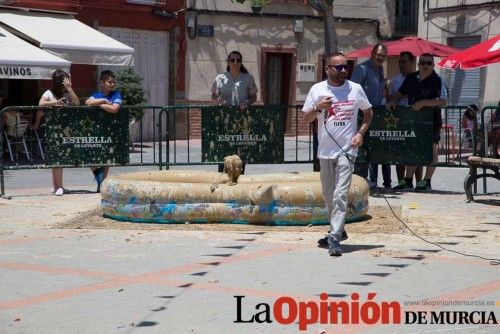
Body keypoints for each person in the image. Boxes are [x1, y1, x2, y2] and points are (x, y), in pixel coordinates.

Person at [303, 52, 373, 256]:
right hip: (325, 151)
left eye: (346, 66)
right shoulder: (317, 90)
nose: (343, 70)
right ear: (328, 69)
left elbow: (368, 112)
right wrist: (318, 108)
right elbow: (306, 119)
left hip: (347, 150)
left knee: (340, 195)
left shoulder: (355, 89)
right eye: (338, 67)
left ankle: (334, 237)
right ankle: (339, 231)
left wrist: (360, 133)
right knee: (328, 195)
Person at [387, 53, 448, 192]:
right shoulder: (411, 78)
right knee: (413, 149)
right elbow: (400, 93)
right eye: (423, 63)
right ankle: (408, 181)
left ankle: (426, 181)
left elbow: (444, 101)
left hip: (432, 121)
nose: (425, 65)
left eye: (429, 63)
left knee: (432, 149)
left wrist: (423, 103)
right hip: (414, 121)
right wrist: (393, 102)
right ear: (418, 64)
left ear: (433, 65)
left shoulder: (438, 79)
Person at [350, 44, 391, 189]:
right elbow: (352, 91)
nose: (380, 58)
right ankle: (358, 181)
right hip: (361, 115)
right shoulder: (362, 69)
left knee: (372, 149)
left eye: (383, 56)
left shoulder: (380, 70)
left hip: (375, 114)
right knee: (361, 149)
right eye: (378, 54)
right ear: (372, 53)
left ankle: (372, 181)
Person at [211, 51, 258, 173]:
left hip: (242, 120)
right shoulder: (220, 78)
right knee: (224, 150)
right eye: (232, 60)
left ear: (241, 62)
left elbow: (254, 97)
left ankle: (239, 177)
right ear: (228, 62)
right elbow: (213, 97)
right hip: (224, 120)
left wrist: (247, 102)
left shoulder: (248, 78)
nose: (235, 62)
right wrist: (219, 100)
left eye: (238, 60)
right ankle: (222, 178)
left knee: (241, 151)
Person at [38, 69, 80, 196]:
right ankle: (59, 186)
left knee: (58, 157)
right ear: (59, 82)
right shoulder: (49, 93)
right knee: (57, 157)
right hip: (54, 129)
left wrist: (70, 88)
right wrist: (55, 102)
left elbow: (77, 103)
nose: (68, 81)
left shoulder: (68, 92)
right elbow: (41, 103)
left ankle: (56, 186)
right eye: (66, 79)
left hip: (65, 129)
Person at [390, 51, 423, 191]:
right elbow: (393, 97)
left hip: (416, 119)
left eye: (404, 62)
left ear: (412, 62)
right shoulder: (395, 80)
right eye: (399, 62)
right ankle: (402, 182)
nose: (401, 64)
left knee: (416, 152)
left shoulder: (419, 77)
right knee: (400, 153)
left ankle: (419, 182)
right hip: (398, 120)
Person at [85, 70, 122, 192]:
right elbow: (87, 102)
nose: (112, 84)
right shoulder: (96, 94)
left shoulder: (116, 94)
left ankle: (102, 184)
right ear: (102, 82)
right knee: (89, 155)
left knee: (107, 157)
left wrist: (99, 105)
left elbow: (115, 108)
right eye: (109, 82)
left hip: (110, 130)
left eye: (113, 82)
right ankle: (99, 176)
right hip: (96, 130)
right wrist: (103, 101)